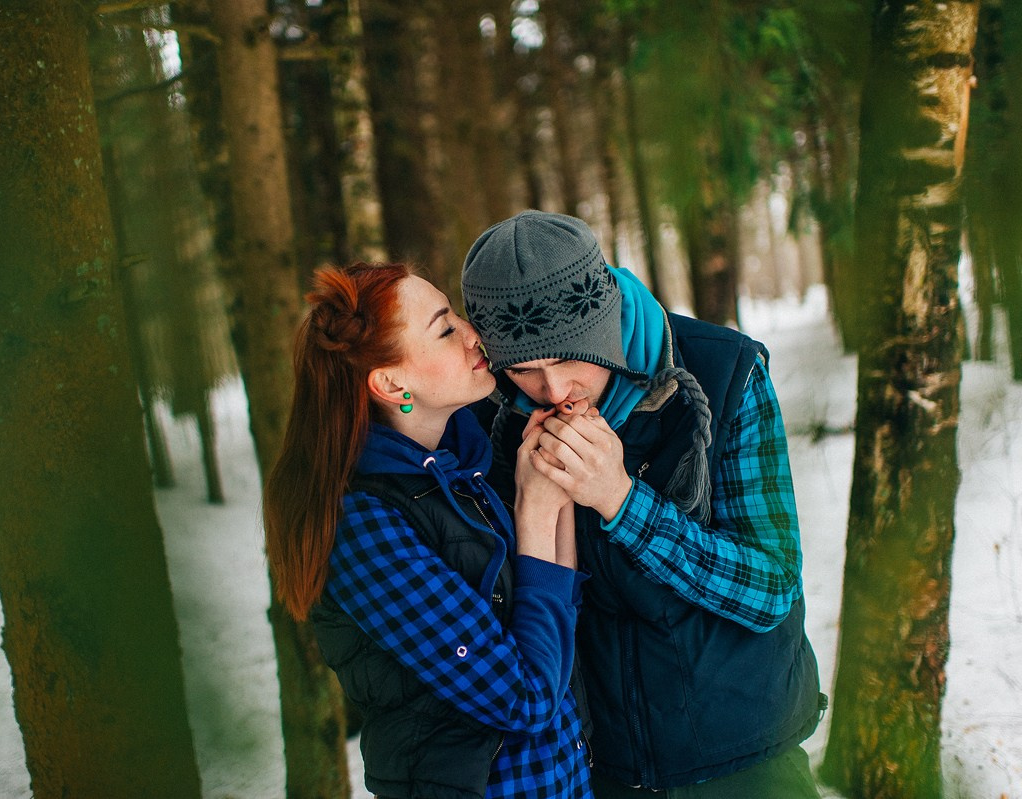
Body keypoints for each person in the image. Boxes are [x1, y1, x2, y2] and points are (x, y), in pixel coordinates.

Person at [461, 211, 827, 798]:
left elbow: (771, 587)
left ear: (604, 325)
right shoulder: (491, 415)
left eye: (566, 358)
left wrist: (620, 500)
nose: (552, 391)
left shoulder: (724, 371)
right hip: (600, 763)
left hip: (744, 755)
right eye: (525, 369)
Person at [263, 262, 594, 798]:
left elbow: (557, 611)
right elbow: (525, 698)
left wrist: (550, 492)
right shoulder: (361, 528)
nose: (473, 335)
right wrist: (534, 510)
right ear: (393, 383)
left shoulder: (460, 467)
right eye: (445, 329)